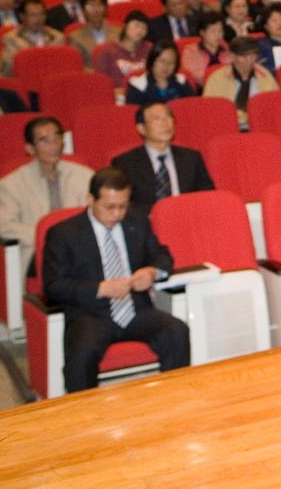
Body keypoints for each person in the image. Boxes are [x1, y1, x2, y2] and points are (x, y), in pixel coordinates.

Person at [42, 166, 190, 392]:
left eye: (123, 206)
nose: (117, 214)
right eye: (109, 207)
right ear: (90, 199)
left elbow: (163, 256)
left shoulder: (137, 221)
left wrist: (152, 272)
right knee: (82, 352)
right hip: (90, 312)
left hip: (135, 309)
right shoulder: (64, 233)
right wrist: (99, 288)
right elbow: (53, 287)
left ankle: (173, 399)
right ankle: (83, 415)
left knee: (177, 331)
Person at [0, 116, 93, 275]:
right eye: (44, 141)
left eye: (57, 138)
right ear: (30, 148)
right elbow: (5, 226)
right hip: (39, 250)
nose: (53, 145)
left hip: (80, 246)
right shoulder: (11, 183)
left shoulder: (84, 175)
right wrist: (47, 236)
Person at [110, 102, 215, 216]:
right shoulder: (125, 163)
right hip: (148, 224)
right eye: (157, 119)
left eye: (168, 117)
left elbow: (208, 195)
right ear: (141, 128)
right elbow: (123, 202)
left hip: (188, 219)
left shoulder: (191, 158)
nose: (165, 123)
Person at [204, 36, 280, 130]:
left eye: (253, 55)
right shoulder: (216, 78)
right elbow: (210, 110)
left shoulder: (265, 76)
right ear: (232, 56)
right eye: (244, 56)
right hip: (226, 128)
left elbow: (276, 106)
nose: (250, 60)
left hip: (260, 127)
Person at [0, 0, 67, 72]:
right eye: (32, 15)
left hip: (52, 77)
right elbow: (9, 67)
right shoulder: (11, 38)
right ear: (22, 17)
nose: (38, 19)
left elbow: (62, 64)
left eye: (41, 14)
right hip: (25, 78)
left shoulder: (57, 36)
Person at [94, 11, 152, 91]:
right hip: (118, 95)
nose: (140, 30)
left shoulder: (150, 49)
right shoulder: (107, 51)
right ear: (125, 26)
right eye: (136, 25)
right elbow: (101, 82)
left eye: (144, 27)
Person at [125, 41, 194, 105]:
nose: (166, 66)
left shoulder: (181, 81)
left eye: (171, 62)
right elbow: (132, 114)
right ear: (152, 61)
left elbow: (192, 106)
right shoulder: (138, 85)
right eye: (162, 61)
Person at [67, 0, 119, 65]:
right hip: (91, 75)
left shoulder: (119, 32)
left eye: (99, 6)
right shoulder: (75, 37)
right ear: (83, 11)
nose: (95, 10)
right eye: (90, 7)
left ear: (105, 9)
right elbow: (77, 64)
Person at [179, 11, 229, 88]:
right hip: (202, 90)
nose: (218, 35)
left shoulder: (226, 48)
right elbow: (193, 76)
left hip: (226, 86)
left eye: (220, 31)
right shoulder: (190, 50)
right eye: (213, 31)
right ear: (202, 33)